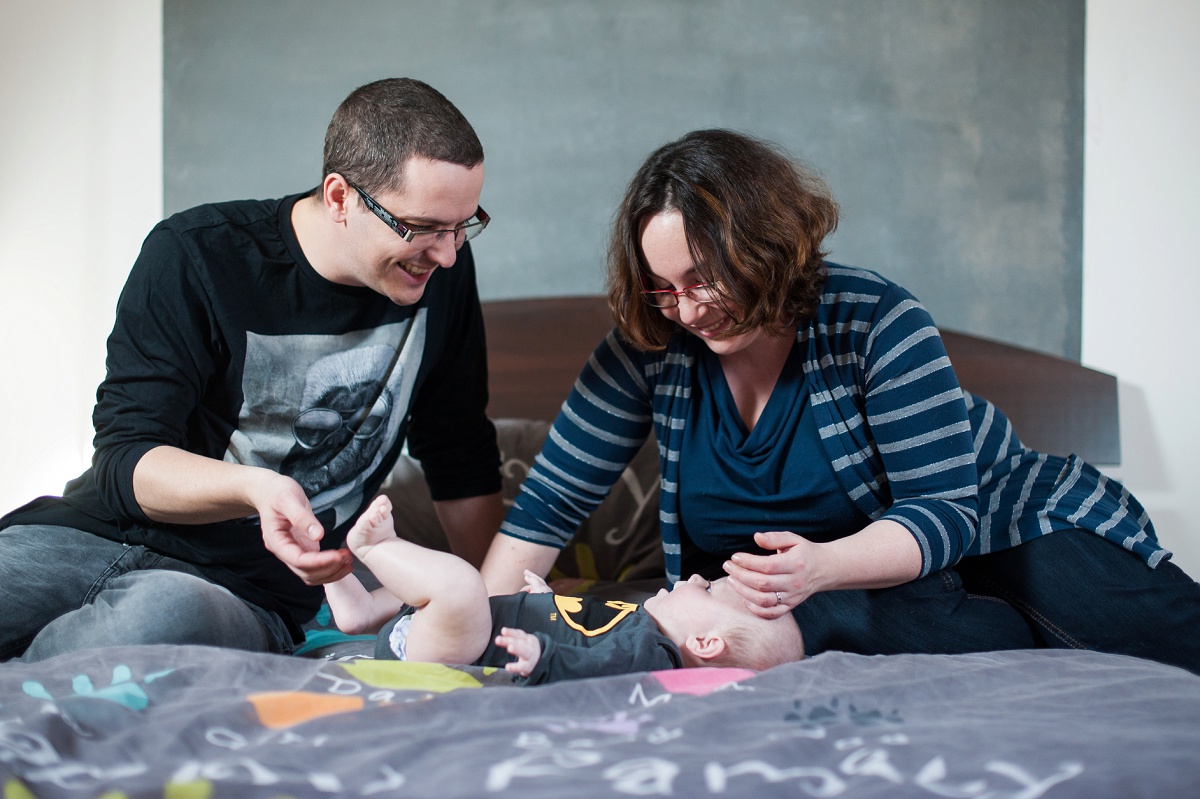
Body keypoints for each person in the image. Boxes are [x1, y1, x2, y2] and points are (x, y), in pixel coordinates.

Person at [481, 128, 1200, 674]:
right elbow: (548, 504)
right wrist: (477, 624)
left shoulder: (873, 319)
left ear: (760, 247)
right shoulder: (648, 352)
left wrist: (819, 565)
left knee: (1159, 642)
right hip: (865, 600)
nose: (687, 309)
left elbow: (944, 511)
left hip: (1003, 522)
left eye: (703, 278)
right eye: (662, 288)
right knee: (859, 626)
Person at [0, 78, 506, 662]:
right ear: (340, 197)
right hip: (82, 538)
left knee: (160, 618)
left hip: (241, 589)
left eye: (463, 226)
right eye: (421, 228)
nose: (445, 253)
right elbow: (124, 462)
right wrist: (255, 488)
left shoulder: (442, 278)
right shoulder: (197, 255)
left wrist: (494, 597)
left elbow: (458, 447)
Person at [326, 495, 804, 684]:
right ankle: (361, 609)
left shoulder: (655, 654)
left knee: (461, 586)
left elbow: (597, 664)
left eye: (709, 591)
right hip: (434, 637)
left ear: (705, 644)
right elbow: (585, 628)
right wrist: (545, 601)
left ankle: (377, 547)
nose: (697, 577)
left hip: (456, 655)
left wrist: (545, 658)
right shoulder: (637, 622)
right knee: (446, 598)